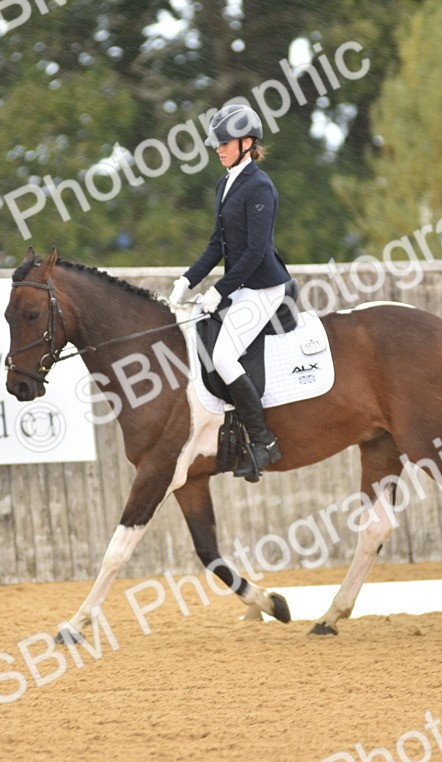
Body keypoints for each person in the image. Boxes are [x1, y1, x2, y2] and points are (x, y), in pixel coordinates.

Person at [168, 104, 291, 480]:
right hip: (240, 288)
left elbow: (255, 252)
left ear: (247, 142)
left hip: (264, 288)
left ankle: (263, 440)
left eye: (225, 143)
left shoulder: (260, 187)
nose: (218, 149)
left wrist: (219, 290)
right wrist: (188, 280)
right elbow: (217, 245)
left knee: (222, 357)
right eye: (216, 143)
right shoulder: (225, 183)